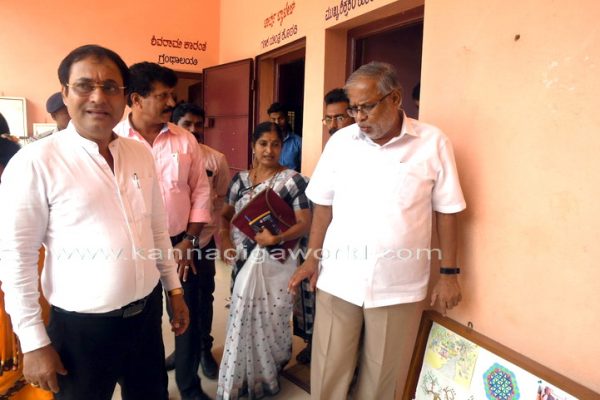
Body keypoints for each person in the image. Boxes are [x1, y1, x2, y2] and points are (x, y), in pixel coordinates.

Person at [0, 44, 189, 400]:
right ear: (65, 93)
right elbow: (16, 258)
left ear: (125, 96)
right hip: (80, 331)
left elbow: (157, 230)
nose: (98, 97)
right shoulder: (35, 162)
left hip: (145, 319)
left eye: (110, 87)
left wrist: (174, 291)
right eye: (85, 85)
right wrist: (33, 341)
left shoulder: (139, 153)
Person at [288, 61, 466, 400]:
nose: (359, 117)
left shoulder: (433, 143)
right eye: (353, 109)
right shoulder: (341, 143)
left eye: (366, 106)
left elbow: (448, 210)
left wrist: (449, 275)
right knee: (329, 371)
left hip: (398, 284)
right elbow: (323, 205)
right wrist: (312, 259)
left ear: (395, 98)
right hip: (340, 278)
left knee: (382, 379)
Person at [114, 63, 212, 400]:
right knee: (141, 325)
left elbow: (201, 192)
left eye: (173, 95)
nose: (172, 102)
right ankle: (151, 389)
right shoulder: (113, 140)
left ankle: (189, 386)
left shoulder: (185, 140)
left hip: (181, 245)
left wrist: (190, 240)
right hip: (133, 250)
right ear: (136, 99)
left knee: (186, 317)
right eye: (163, 96)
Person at [216, 122, 312, 399]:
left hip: (278, 262)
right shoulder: (240, 180)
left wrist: (276, 238)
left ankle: (269, 373)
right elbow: (226, 215)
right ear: (253, 146)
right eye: (263, 144)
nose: (269, 150)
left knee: (273, 317)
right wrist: (225, 238)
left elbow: (304, 223)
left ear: (282, 147)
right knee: (241, 312)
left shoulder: (294, 181)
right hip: (243, 258)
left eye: (275, 144)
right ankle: (239, 379)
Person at [162, 102, 230, 380]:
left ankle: (203, 349)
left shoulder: (216, 159)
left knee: (203, 296)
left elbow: (221, 197)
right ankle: (182, 349)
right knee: (173, 296)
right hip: (171, 243)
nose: (193, 129)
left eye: (198, 124)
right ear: (173, 125)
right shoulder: (162, 155)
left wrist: (212, 231)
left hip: (202, 242)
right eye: (186, 124)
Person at [267, 102, 302, 171]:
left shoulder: (298, 141)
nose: (277, 122)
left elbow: (304, 167)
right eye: (273, 119)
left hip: (291, 177)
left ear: (287, 118)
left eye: (280, 118)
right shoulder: (264, 141)